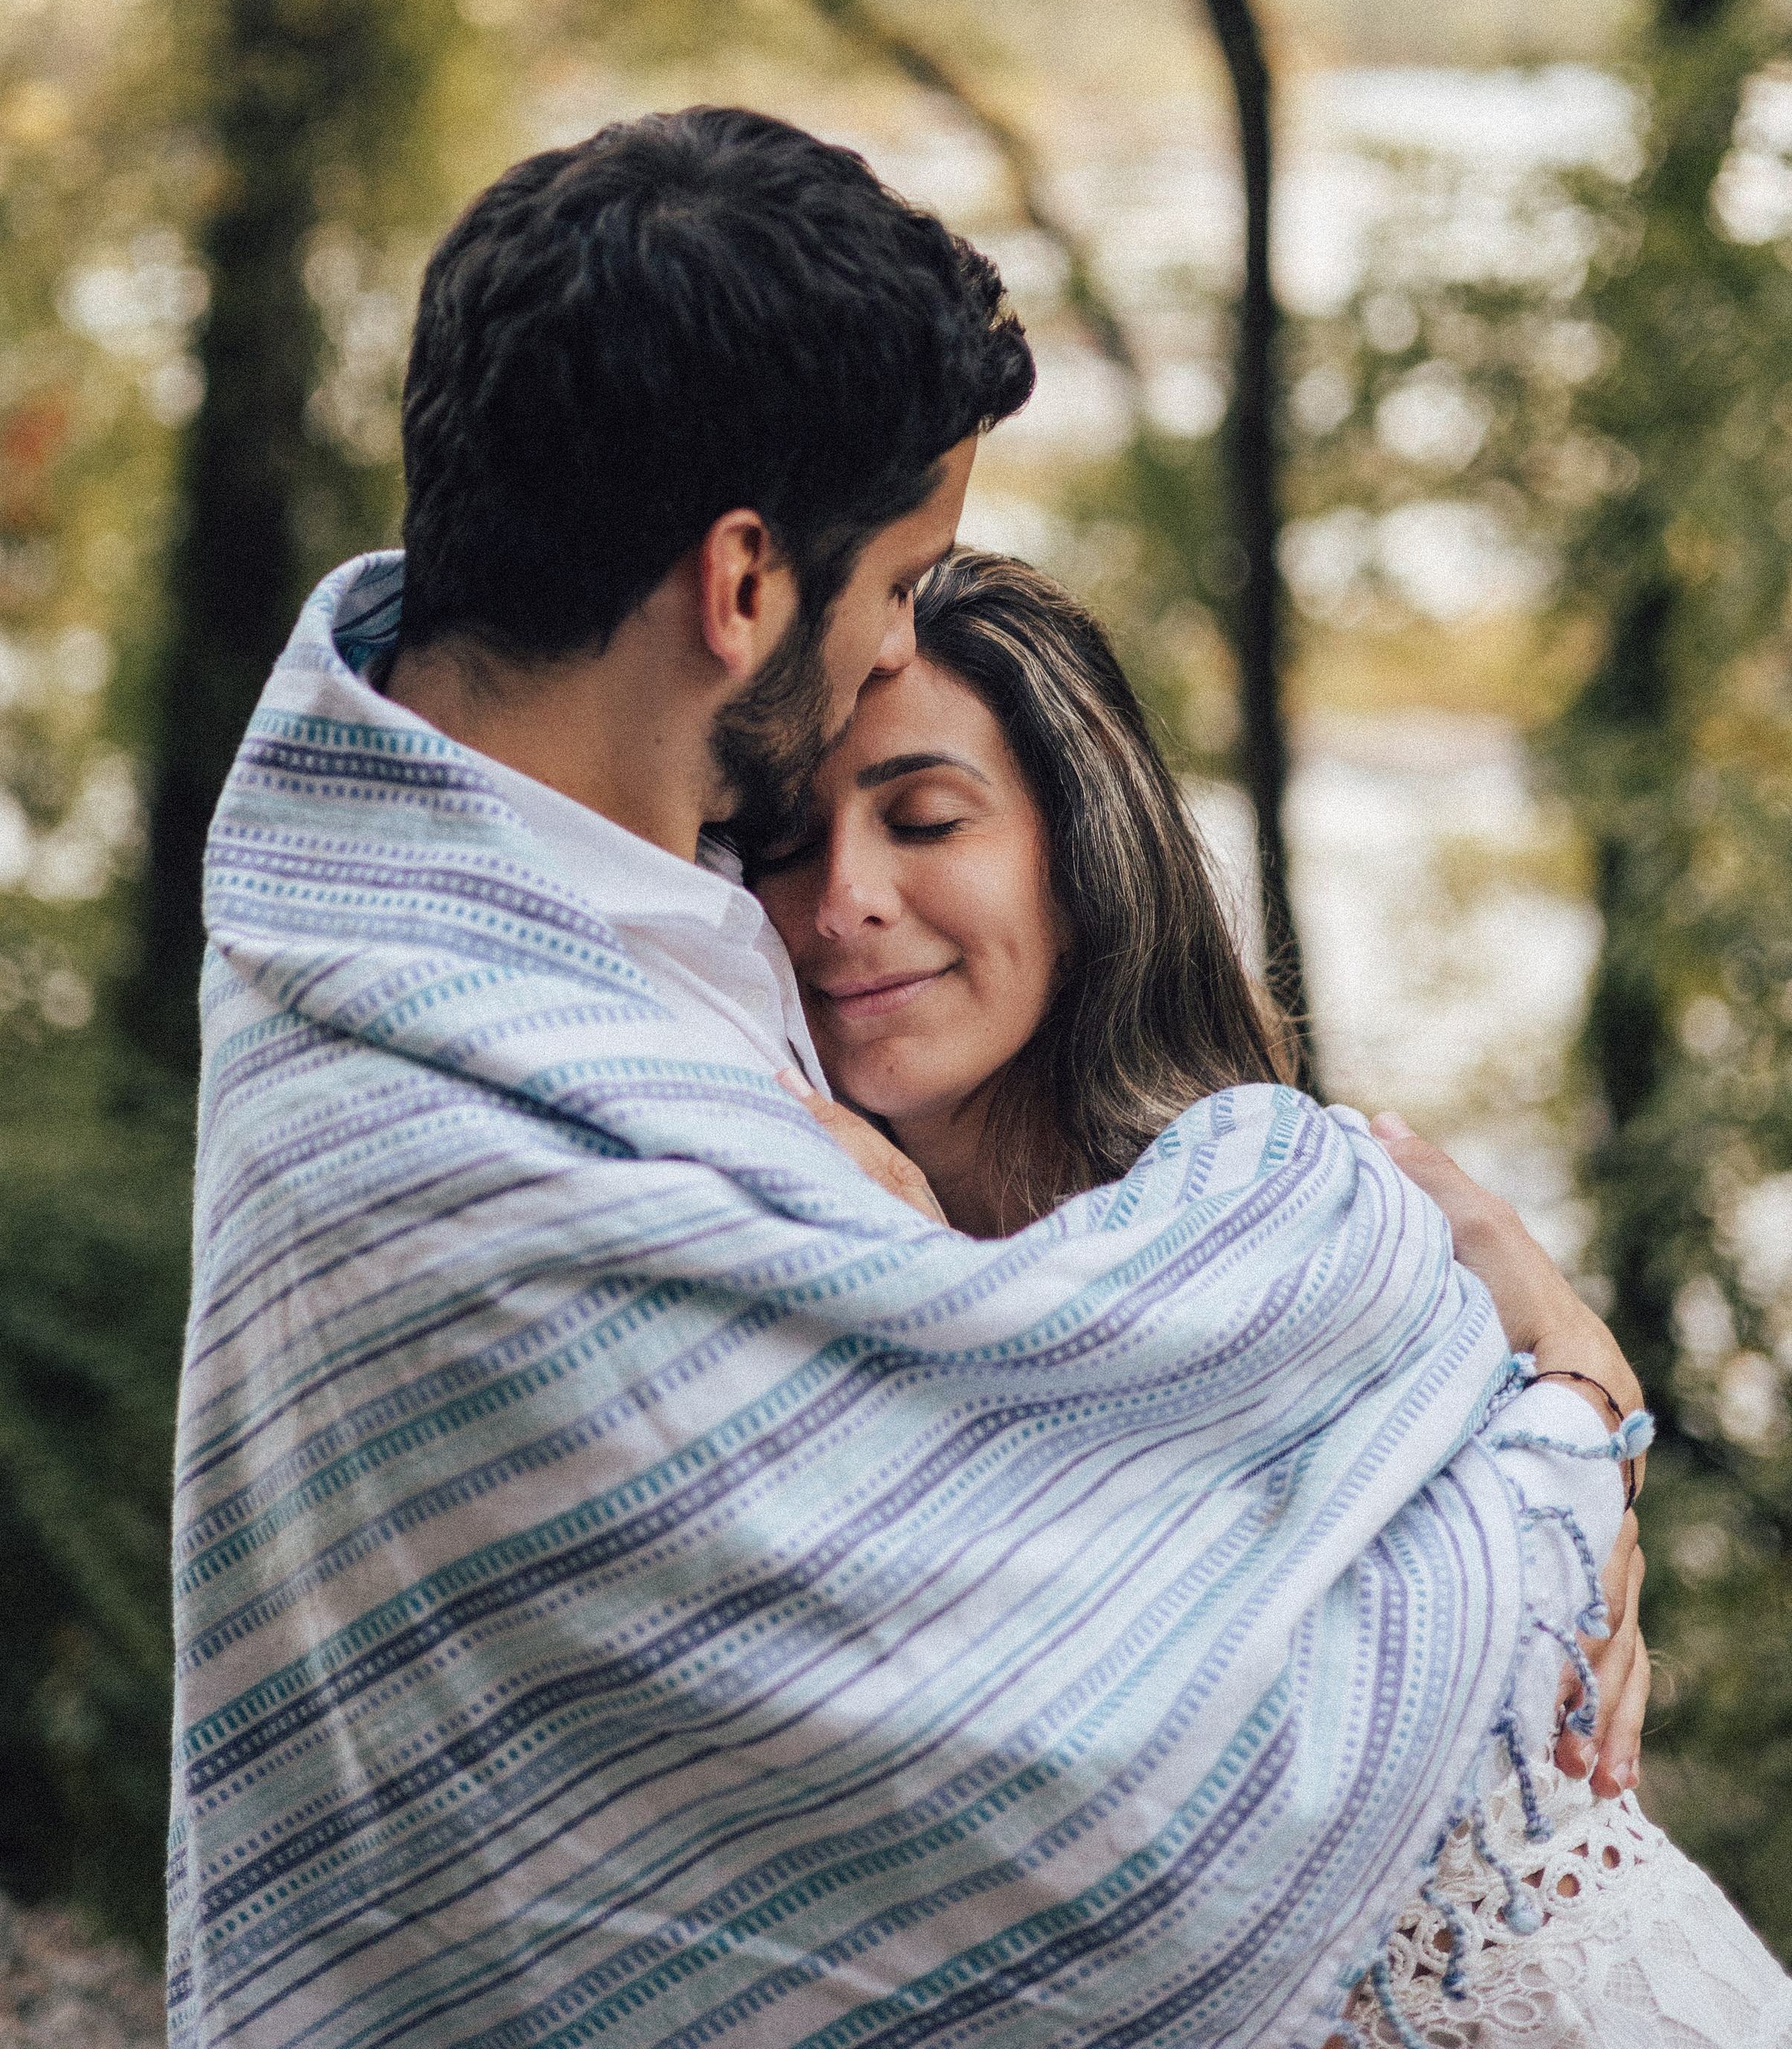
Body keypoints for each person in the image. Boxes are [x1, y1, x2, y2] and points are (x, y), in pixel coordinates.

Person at [173, 104, 1663, 2049]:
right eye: (901, 578)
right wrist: (1546, 1440)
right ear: (740, 584)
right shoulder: (458, 1083)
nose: (895, 644)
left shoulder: (502, 915)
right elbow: (1100, 1811)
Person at [750, 546, 1792, 2047]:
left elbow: (1469, 1622)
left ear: (1078, 853)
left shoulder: (1289, 1211)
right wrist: (1579, 1411)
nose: (842, 897)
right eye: (785, 842)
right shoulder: (772, 1292)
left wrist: (1579, 1413)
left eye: (924, 819)